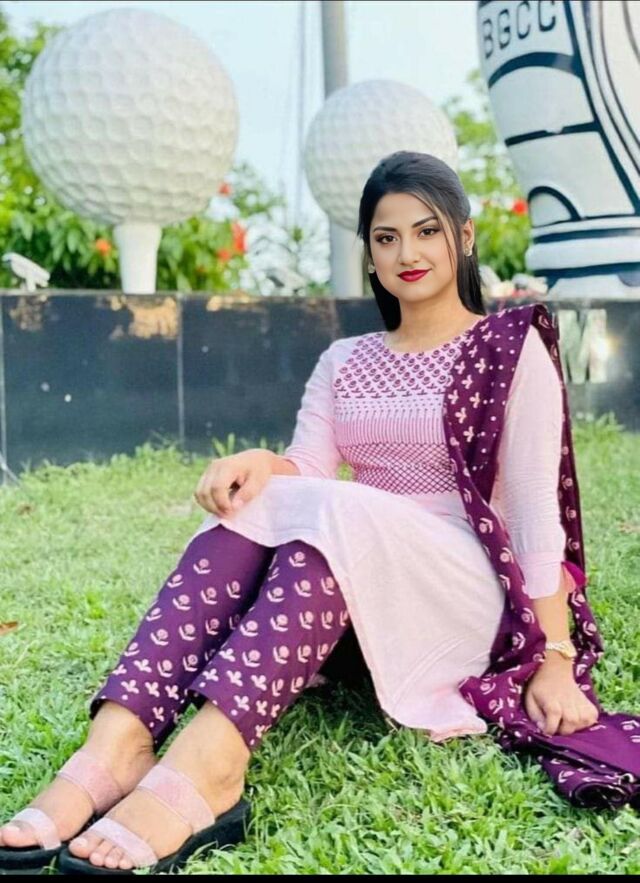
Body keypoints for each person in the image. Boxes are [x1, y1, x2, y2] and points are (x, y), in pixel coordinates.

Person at [1, 151, 637, 876]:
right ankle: (117, 743)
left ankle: (209, 766)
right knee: (273, 504)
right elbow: (307, 469)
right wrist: (258, 464)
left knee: (333, 513)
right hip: (356, 583)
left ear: (463, 237)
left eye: (426, 231)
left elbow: (534, 518)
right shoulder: (345, 359)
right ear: (369, 251)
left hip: (463, 589)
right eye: (386, 237)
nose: (407, 253)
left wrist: (554, 660)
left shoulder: (507, 349)